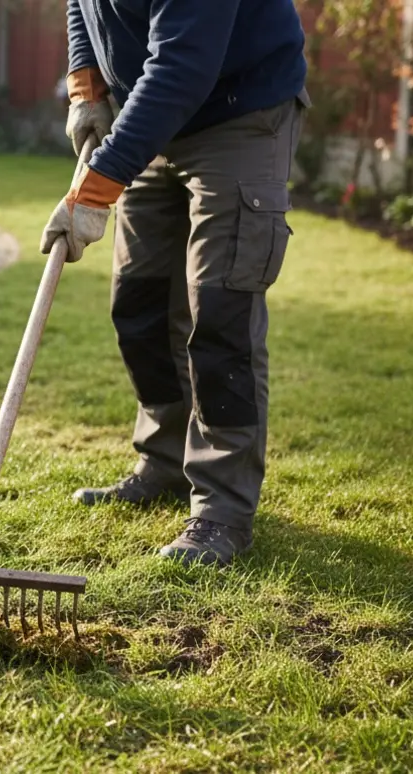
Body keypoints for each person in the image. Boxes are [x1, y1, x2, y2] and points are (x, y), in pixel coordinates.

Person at [42, 0, 310, 566]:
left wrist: (93, 191)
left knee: (220, 310)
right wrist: (86, 85)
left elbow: (184, 63)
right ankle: (163, 461)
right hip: (149, 115)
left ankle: (222, 509)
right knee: (137, 302)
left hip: (239, 111)